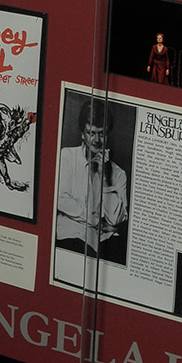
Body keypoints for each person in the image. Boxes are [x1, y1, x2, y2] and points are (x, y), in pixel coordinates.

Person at [55, 98, 128, 260]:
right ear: (82, 133)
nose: (96, 140)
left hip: (105, 242)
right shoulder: (66, 156)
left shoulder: (119, 174)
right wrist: (95, 220)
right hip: (71, 235)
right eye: (91, 133)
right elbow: (60, 199)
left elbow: (117, 219)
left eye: (102, 134)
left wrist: (105, 178)